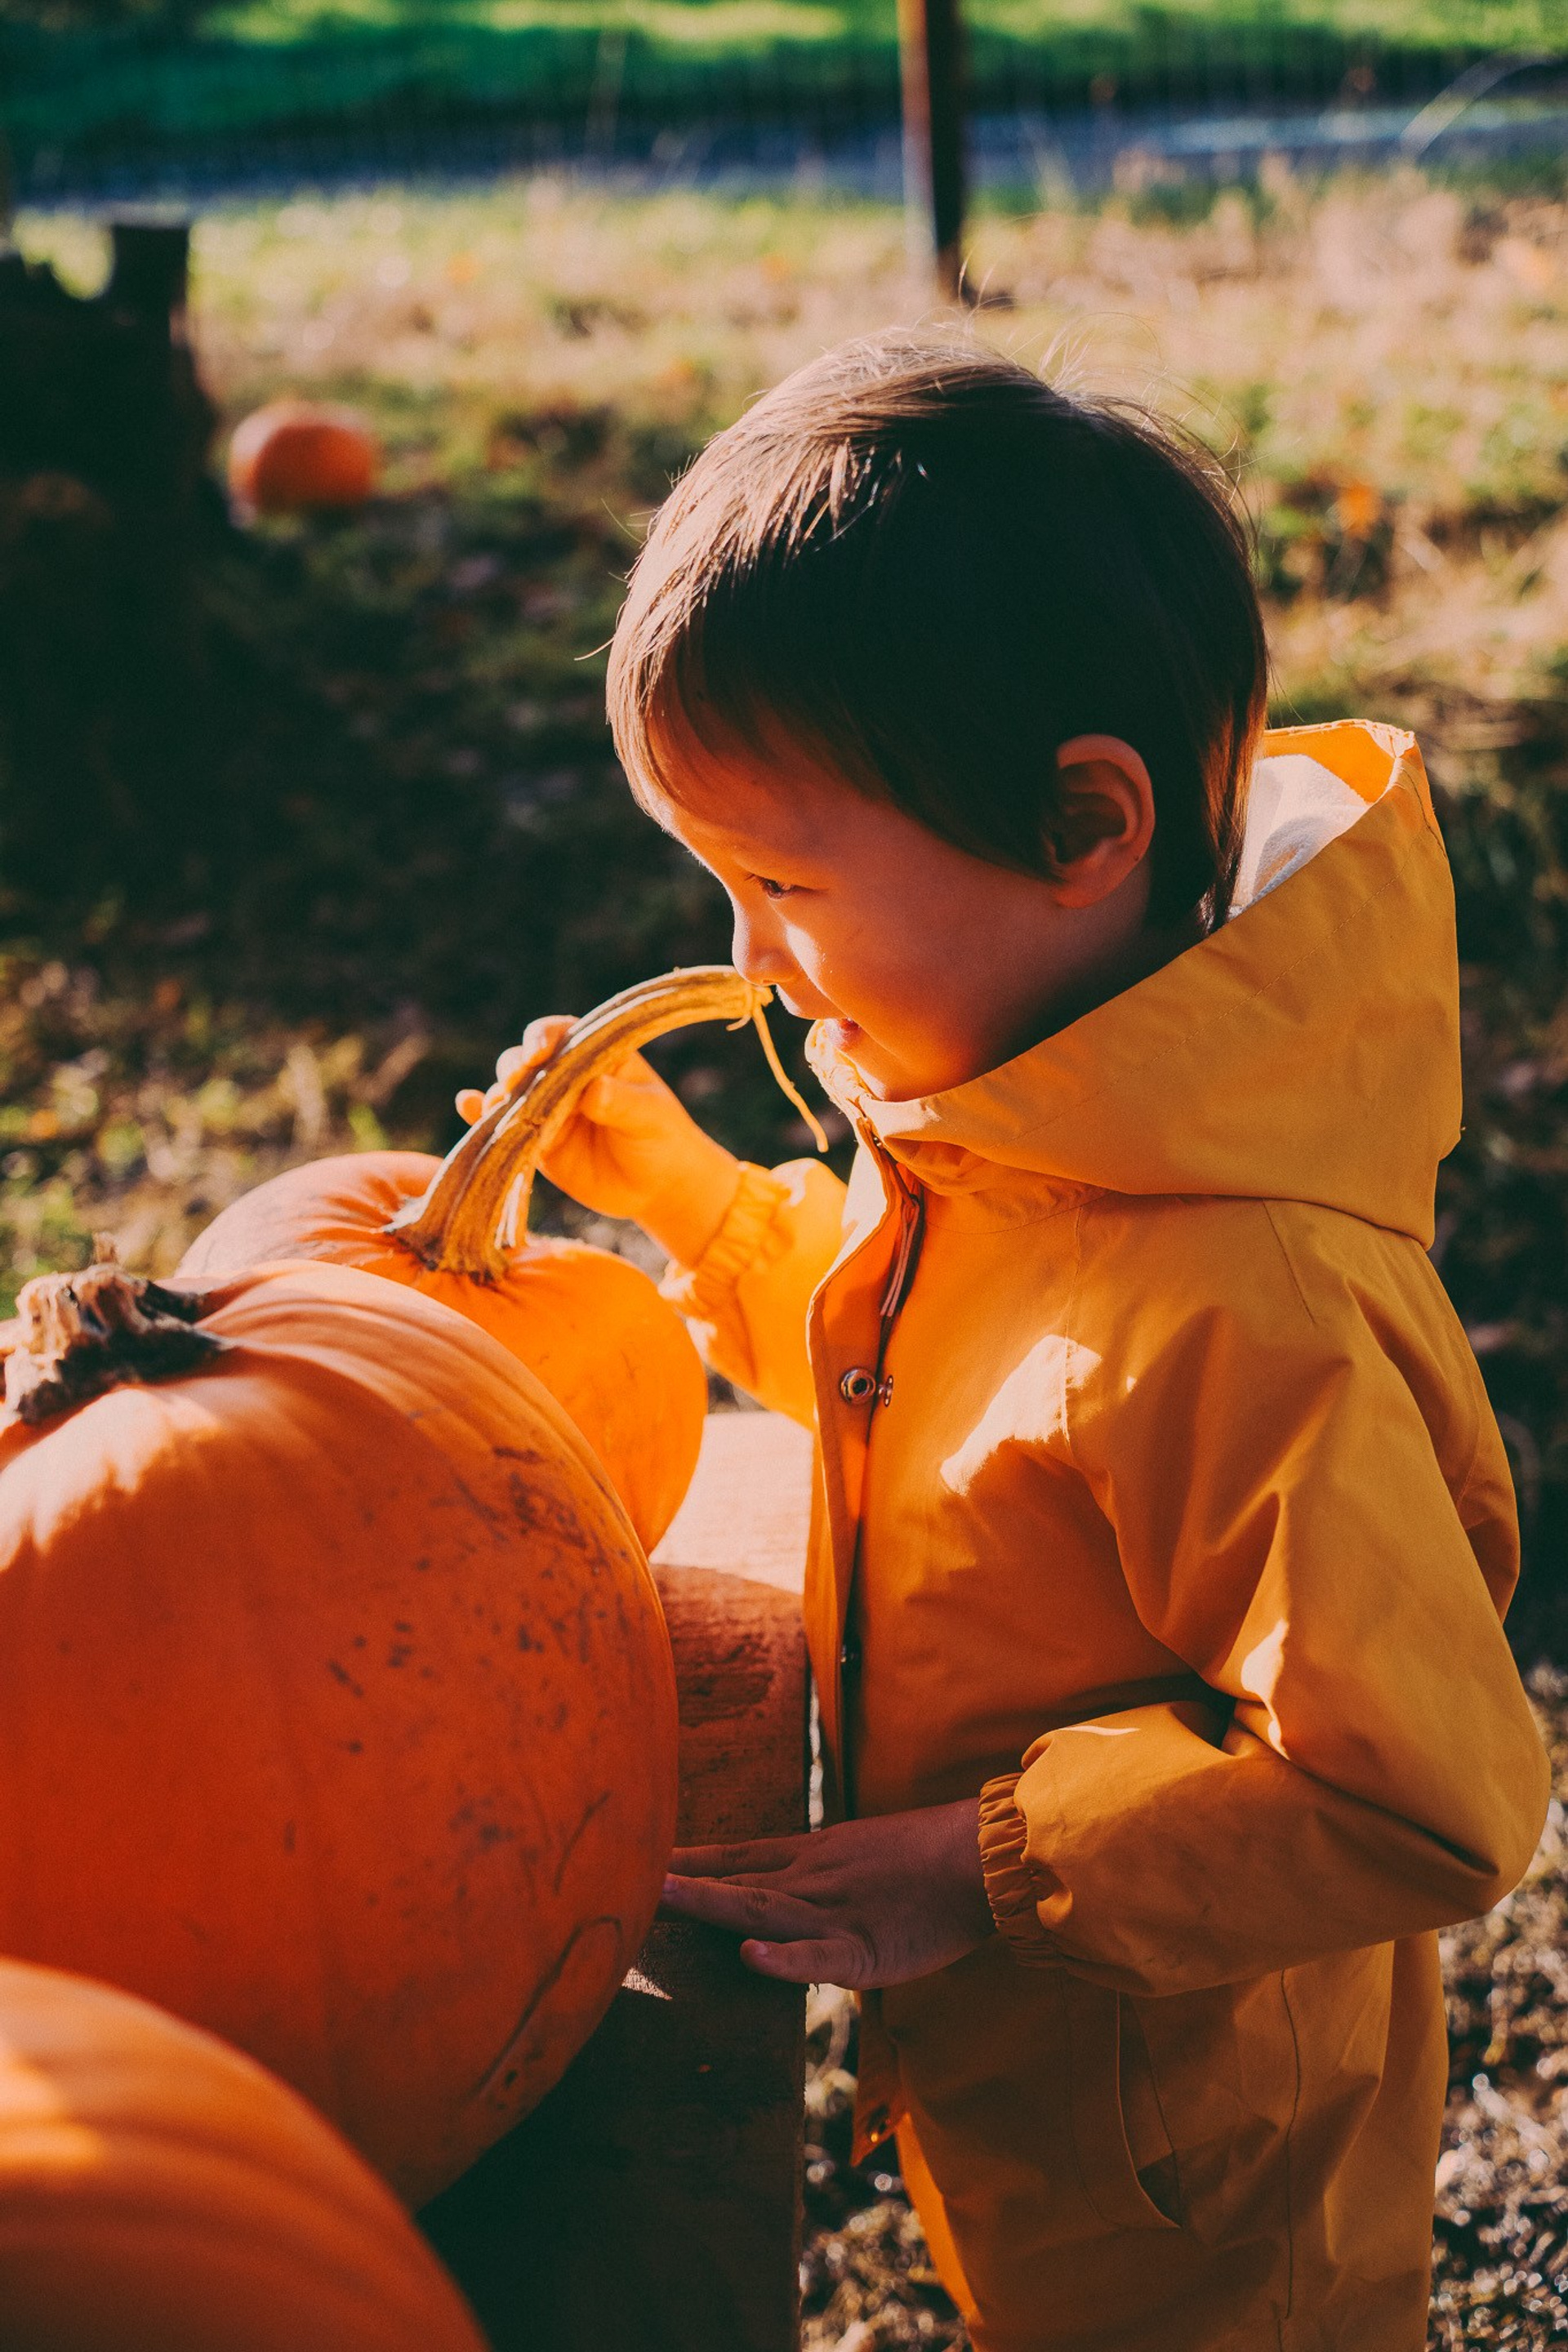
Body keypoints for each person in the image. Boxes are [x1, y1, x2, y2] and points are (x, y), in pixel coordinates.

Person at [459, 336, 1550, 2350]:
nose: (744, 959)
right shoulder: (1022, 1109)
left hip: (1213, 2186)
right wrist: (687, 1194)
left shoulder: (1248, 1304)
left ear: (1082, 824)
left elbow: (1423, 1787)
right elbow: (931, 1389)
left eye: (780, 881)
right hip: (1051, 2090)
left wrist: (988, 1871)